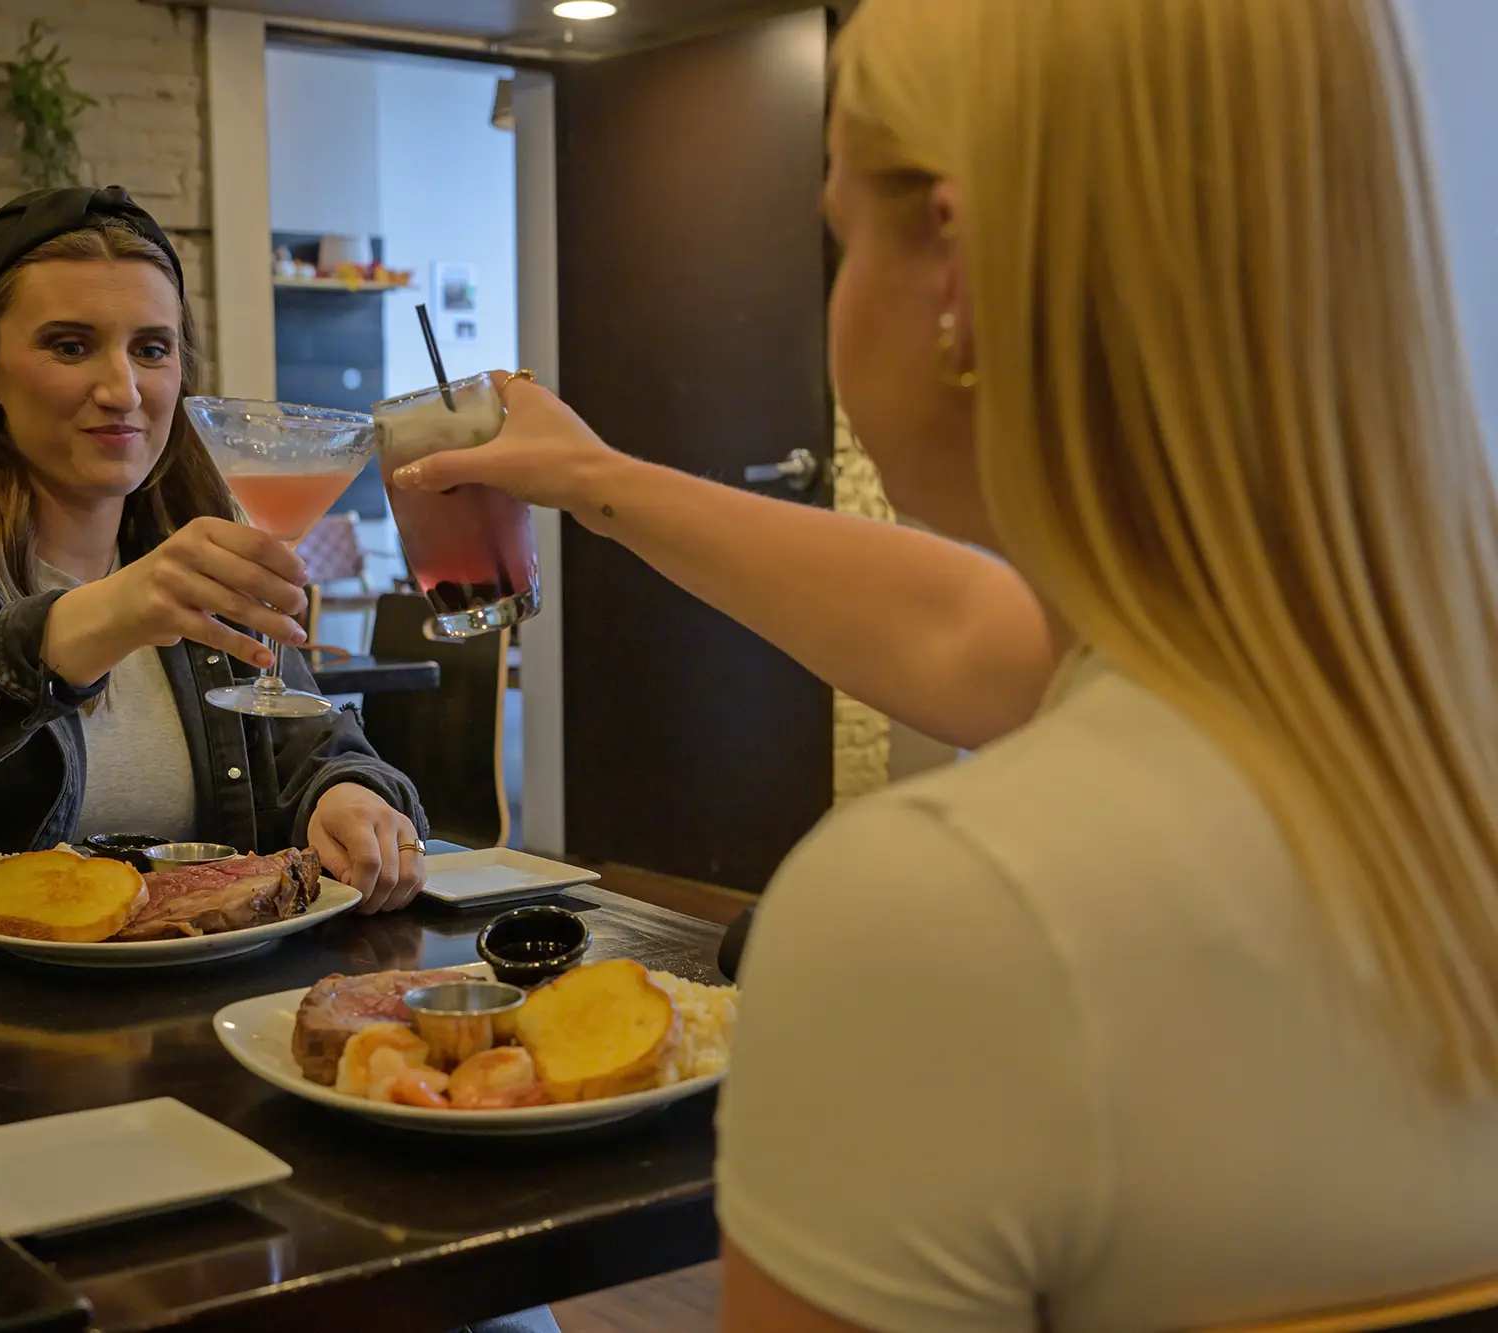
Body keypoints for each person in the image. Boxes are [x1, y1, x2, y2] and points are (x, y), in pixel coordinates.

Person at [396, 0, 1498, 1328]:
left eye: (839, 234)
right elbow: (975, 634)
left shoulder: (940, 917)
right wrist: (597, 480)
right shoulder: (1396, 735)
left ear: (959, 271)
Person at [0, 187, 428, 917]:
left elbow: (314, 743)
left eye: (151, 349)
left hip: (192, 1012)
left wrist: (348, 794)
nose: (122, 389)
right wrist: (96, 620)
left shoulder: (198, 566)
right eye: (69, 345)